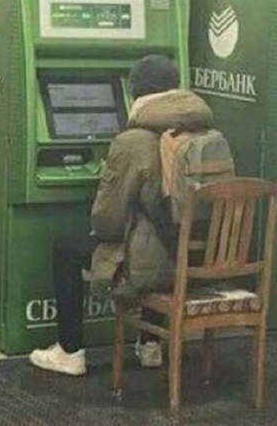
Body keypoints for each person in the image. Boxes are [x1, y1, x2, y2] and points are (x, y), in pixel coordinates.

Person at [29, 54, 214, 376]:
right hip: (202, 259)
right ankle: (150, 344)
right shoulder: (206, 133)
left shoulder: (132, 142)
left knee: (67, 248)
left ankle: (69, 351)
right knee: (156, 228)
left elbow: (107, 222)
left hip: (152, 264)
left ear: (135, 93)